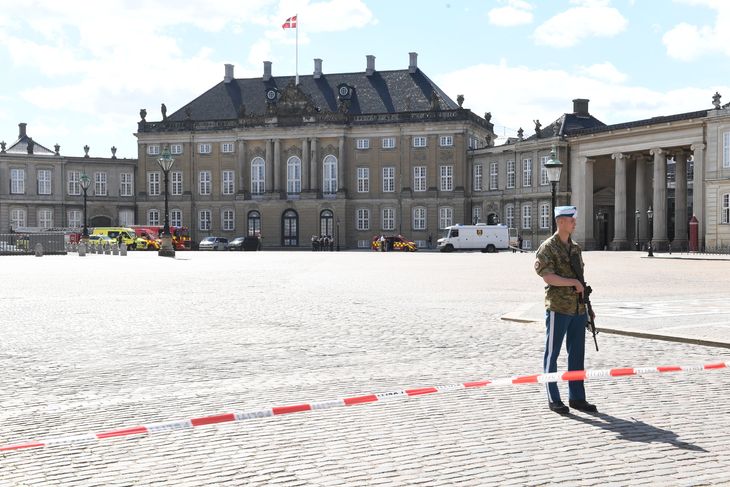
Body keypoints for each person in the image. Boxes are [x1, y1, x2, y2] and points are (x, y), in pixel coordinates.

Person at [533, 206, 597, 415]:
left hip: (578, 308)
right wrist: (571, 283)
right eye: (571, 220)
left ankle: (577, 397)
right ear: (560, 221)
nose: (574, 223)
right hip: (558, 307)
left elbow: (581, 280)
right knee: (552, 354)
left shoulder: (575, 248)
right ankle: (554, 398)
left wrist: (588, 308)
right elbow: (548, 277)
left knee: (577, 355)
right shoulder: (547, 247)